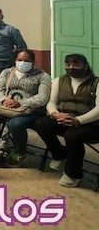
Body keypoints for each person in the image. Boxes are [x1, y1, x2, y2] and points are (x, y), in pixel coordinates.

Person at [34, 54, 99, 188]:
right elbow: (52, 102)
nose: (71, 68)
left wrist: (78, 120)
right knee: (41, 125)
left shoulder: (96, 83)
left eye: (76, 65)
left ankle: (73, 173)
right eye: (68, 65)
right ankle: (59, 154)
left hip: (89, 122)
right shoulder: (60, 80)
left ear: (85, 66)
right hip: (64, 117)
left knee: (72, 136)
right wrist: (55, 114)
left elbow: (98, 110)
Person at [0, 49, 51, 168]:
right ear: (15, 60)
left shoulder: (42, 76)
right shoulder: (7, 72)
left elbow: (42, 98)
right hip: (7, 105)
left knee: (15, 124)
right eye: (20, 60)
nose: (23, 63)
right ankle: (0, 144)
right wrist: (4, 99)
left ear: (33, 62)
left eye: (27, 61)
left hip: (31, 109)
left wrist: (21, 103)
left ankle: (20, 151)